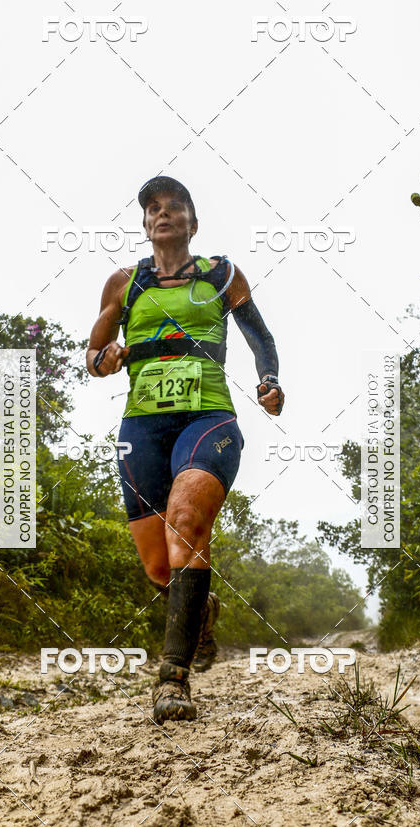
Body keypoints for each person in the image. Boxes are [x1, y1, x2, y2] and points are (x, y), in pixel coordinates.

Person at [86, 176, 284, 724]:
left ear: (192, 224)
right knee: (157, 566)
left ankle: (173, 677)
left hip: (209, 417)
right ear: (146, 224)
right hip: (143, 426)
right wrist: (105, 359)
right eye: (153, 209)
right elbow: (94, 351)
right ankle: (202, 611)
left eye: (174, 208)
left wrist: (267, 379)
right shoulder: (123, 284)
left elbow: (259, 336)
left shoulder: (222, 274)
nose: (163, 214)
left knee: (187, 518)